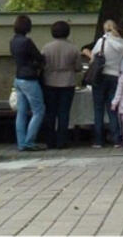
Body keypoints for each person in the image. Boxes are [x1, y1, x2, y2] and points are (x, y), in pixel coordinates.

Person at [82, 20, 123, 148]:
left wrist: (87, 52)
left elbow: (94, 58)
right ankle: (117, 139)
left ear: (104, 29)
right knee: (112, 108)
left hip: (101, 76)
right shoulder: (121, 43)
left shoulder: (103, 41)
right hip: (115, 76)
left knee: (98, 108)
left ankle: (98, 140)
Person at [41, 21, 82, 149]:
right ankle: (62, 141)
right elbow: (78, 67)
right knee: (64, 113)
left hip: (50, 81)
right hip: (67, 82)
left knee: (51, 112)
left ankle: (50, 140)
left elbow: (42, 65)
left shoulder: (46, 48)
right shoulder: (73, 48)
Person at [10, 15, 46, 151]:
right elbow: (39, 57)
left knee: (21, 112)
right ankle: (29, 141)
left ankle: (21, 143)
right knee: (39, 110)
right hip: (29, 79)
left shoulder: (13, 41)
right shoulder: (27, 41)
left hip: (18, 78)